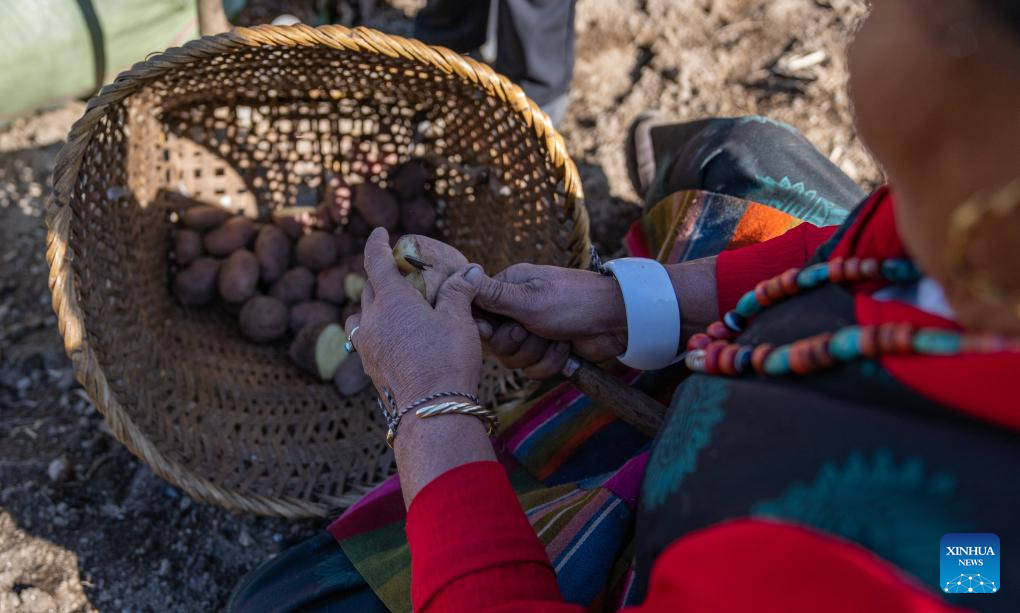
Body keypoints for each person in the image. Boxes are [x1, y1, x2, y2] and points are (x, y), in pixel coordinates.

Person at [228, 0, 1020, 610]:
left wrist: (432, 411)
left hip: (694, 529)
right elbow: (850, 249)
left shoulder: (881, 567)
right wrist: (630, 304)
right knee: (745, 154)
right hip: (746, 384)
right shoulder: (977, 226)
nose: (865, 21)